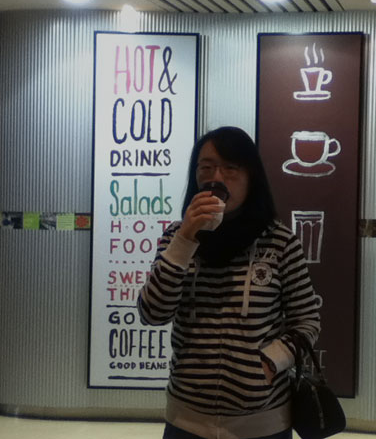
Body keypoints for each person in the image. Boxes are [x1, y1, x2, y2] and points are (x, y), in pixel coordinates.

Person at [137, 126, 321, 439]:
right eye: (206, 168)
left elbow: (307, 321)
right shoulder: (176, 237)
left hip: (263, 422)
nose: (216, 178)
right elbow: (152, 313)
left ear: (252, 178)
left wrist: (270, 362)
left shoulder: (280, 242)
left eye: (231, 168)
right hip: (186, 419)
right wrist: (185, 238)